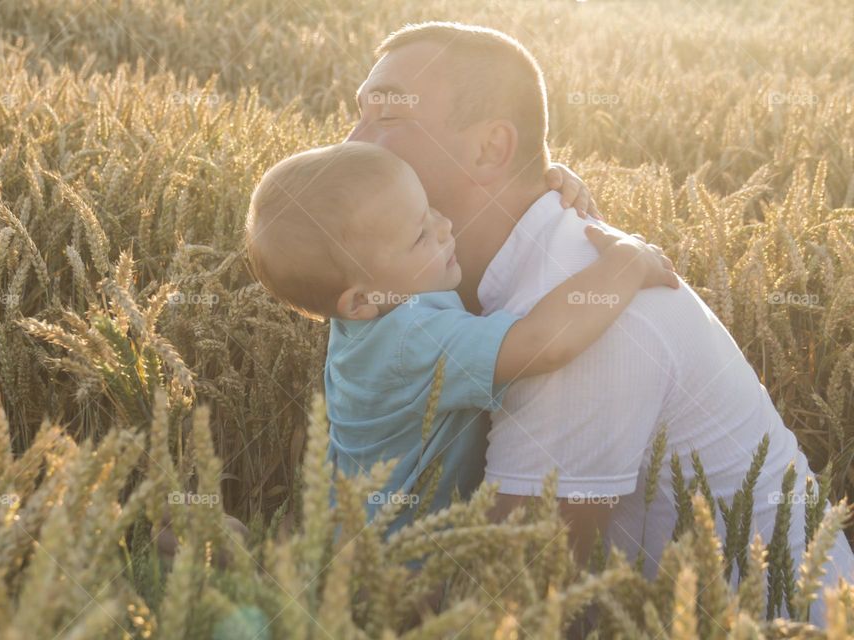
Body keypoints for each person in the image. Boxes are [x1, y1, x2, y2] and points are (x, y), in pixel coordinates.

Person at [346, 21, 854, 625]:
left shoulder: (584, 320)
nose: (352, 142)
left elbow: (508, 605)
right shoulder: (439, 275)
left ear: (490, 148)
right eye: (358, 113)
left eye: (389, 116)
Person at [245, 140, 677, 531]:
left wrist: (539, 190)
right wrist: (625, 264)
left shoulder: (370, 313)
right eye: (420, 236)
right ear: (359, 301)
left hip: (354, 536)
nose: (444, 226)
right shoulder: (412, 339)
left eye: (430, 207)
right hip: (400, 572)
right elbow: (543, 343)